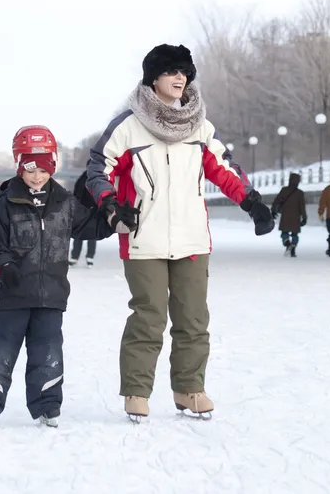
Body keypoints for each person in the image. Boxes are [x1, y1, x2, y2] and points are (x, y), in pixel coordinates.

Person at [87, 44, 275, 422]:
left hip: (191, 238)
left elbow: (223, 168)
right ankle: (137, 392)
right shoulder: (129, 125)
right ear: (153, 78)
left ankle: (189, 389)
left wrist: (251, 201)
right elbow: (98, 167)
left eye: (185, 71)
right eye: (171, 71)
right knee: (149, 317)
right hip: (143, 238)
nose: (180, 78)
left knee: (193, 319)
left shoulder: (199, 126)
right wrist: (110, 205)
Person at [0, 125, 113, 428]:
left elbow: (93, 227)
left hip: (51, 297)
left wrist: (116, 217)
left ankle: (47, 405)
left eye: (44, 168)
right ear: (19, 166)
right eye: (30, 169)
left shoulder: (64, 204)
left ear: (54, 165)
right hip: (11, 297)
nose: (37, 176)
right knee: (0, 351)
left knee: (47, 354)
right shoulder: (3, 207)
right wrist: (4, 267)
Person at [271, 172, 307, 258]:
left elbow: (276, 201)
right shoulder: (300, 193)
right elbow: (302, 207)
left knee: (284, 232)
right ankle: (293, 248)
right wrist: (304, 217)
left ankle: (287, 242)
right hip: (296, 217)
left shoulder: (284, 190)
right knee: (295, 234)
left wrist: (273, 211)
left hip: (285, 216)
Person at [69, 176, 98, 268]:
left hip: (92, 211)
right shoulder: (83, 179)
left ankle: (89, 256)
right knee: (80, 233)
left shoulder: (96, 179)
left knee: (90, 235)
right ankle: (76, 257)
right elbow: (76, 194)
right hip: (82, 211)